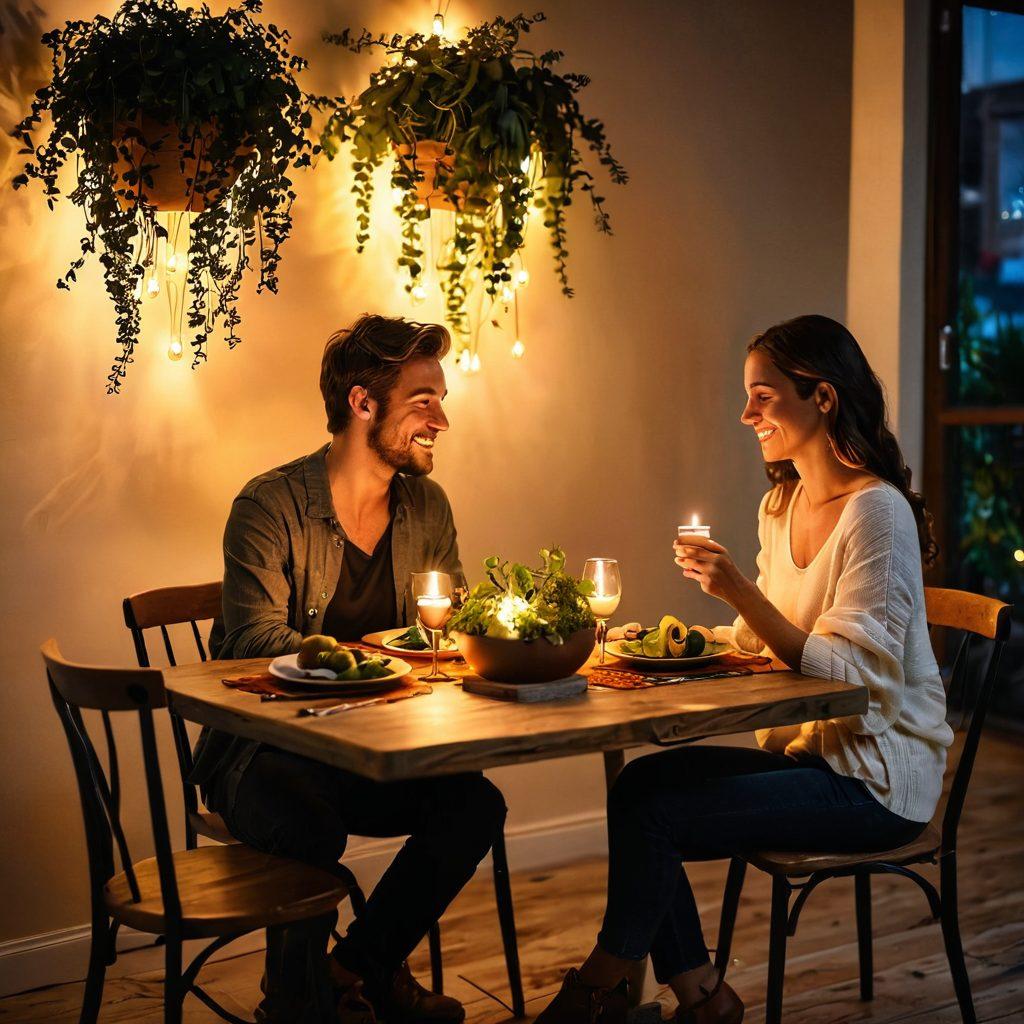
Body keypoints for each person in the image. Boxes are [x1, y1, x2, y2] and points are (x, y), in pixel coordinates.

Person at [536, 315, 954, 1024]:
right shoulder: (781, 502)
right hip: (813, 759)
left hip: (877, 782)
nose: (746, 413)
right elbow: (771, 641)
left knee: (655, 813)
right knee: (640, 787)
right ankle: (700, 995)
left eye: (762, 395)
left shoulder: (876, 512)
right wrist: (692, 638)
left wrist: (742, 592)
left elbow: (852, 678)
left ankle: (606, 984)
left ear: (821, 397)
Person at [190, 315, 506, 1024]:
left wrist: (487, 632)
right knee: (306, 820)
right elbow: (250, 640)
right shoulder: (270, 504)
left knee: (474, 804)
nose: (442, 420)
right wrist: (384, 658)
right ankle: (296, 1006)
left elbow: (446, 626)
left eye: (440, 399)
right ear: (363, 402)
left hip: (373, 752)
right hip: (260, 755)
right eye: (424, 400)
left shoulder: (426, 506)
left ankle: (352, 970)